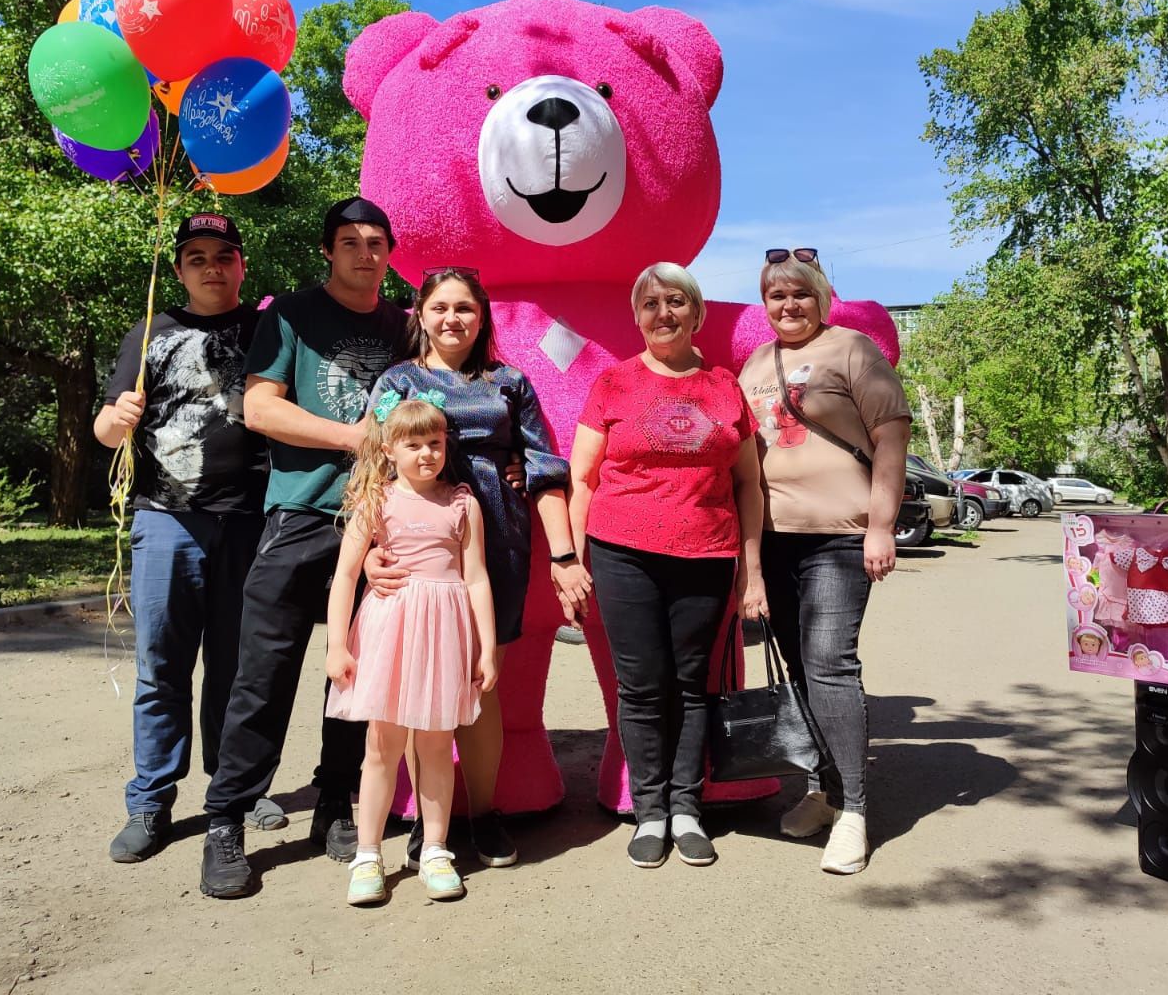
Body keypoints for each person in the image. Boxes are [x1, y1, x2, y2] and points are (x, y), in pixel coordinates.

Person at [198, 197, 408, 900]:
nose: (364, 253)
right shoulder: (288, 315)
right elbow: (260, 407)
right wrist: (355, 438)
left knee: (353, 678)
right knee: (263, 676)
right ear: (328, 250)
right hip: (301, 515)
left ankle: (334, 806)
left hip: (379, 522)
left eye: (376, 242)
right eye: (349, 242)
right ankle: (226, 817)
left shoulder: (404, 325)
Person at [364, 267, 592, 869]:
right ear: (420, 313)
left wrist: (564, 555)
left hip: (495, 542)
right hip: (415, 548)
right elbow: (369, 468)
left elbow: (546, 467)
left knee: (479, 683)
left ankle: (483, 812)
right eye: (440, 307)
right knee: (418, 684)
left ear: (482, 316)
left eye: (464, 307)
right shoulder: (398, 381)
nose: (452, 319)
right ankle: (427, 823)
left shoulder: (509, 382)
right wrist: (366, 550)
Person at [94, 212, 286, 862]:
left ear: (241, 266)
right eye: (196, 256)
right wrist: (117, 420)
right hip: (165, 521)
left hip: (251, 522)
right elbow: (104, 430)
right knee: (163, 670)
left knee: (240, 672)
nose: (211, 266)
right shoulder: (148, 332)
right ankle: (151, 800)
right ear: (178, 270)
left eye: (223, 255)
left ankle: (235, 790)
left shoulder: (268, 332)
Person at [567, 262, 766, 869]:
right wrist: (573, 563)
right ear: (637, 316)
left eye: (676, 302)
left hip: (707, 554)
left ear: (697, 312)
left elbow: (749, 486)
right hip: (623, 552)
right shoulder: (612, 384)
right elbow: (581, 477)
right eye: (651, 304)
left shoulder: (724, 387)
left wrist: (752, 571)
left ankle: (686, 808)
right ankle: (649, 810)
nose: (664, 313)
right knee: (642, 687)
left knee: (693, 685)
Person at [737, 248, 911, 875]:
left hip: (841, 536)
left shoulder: (852, 349)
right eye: (776, 297)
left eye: (800, 295)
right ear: (765, 305)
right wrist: (749, 561)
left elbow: (892, 433)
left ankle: (857, 810)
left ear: (822, 297)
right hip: (776, 537)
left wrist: (881, 525)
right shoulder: (756, 364)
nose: (789, 306)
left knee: (830, 663)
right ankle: (823, 790)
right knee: (801, 673)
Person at [325, 396, 498, 905]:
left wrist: (487, 648)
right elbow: (346, 576)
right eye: (414, 444)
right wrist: (337, 644)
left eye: (436, 443)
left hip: (445, 632)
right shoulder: (375, 501)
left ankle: (437, 849)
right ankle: (368, 855)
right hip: (390, 631)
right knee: (382, 746)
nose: (426, 454)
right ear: (390, 450)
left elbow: (477, 578)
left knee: (436, 745)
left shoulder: (463, 503)